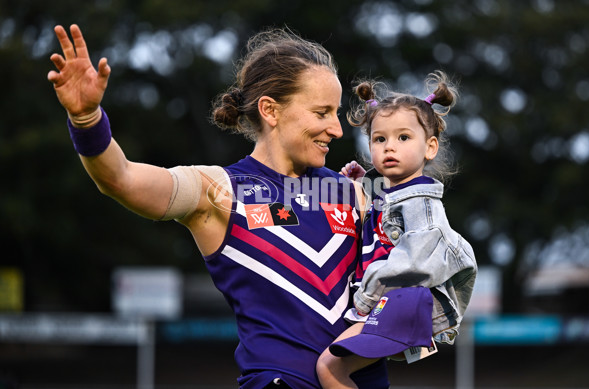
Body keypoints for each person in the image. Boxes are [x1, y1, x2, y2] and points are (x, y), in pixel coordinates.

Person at [47, 24, 389, 388]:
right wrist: (87, 120)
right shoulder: (221, 191)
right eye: (322, 113)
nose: (336, 129)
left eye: (336, 113)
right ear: (270, 110)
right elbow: (122, 179)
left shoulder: (354, 192)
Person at [316, 71, 478, 389]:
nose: (390, 147)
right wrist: (364, 180)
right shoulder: (389, 193)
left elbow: (411, 264)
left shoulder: (422, 204)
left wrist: (363, 304)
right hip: (388, 302)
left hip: (396, 302)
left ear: (430, 147)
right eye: (380, 139)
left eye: (403, 138)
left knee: (329, 369)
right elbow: (381, 217)